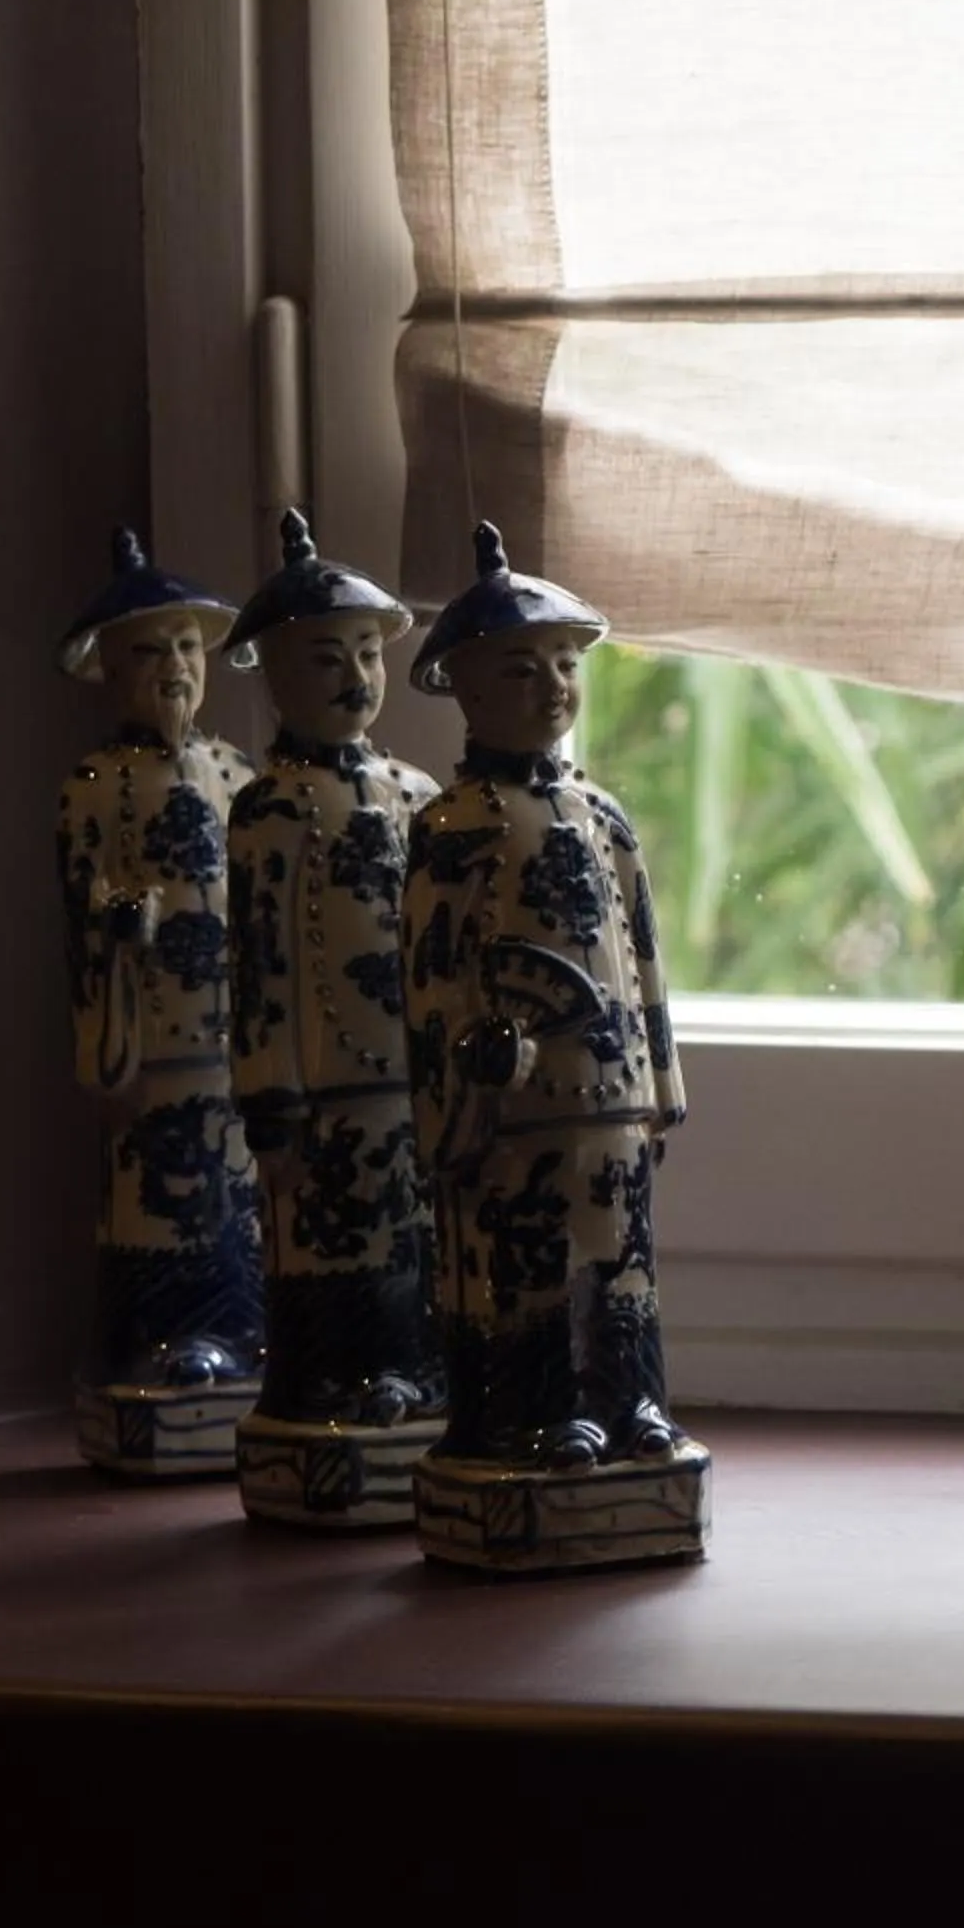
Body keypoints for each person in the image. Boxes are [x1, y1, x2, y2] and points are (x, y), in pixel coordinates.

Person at [403, 522, 695, 1504]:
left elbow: (643, 959)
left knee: (622, 1257)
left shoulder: (603, 815)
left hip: (609, 1089)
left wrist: (663, 1084)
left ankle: (630, 1401)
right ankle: (538, 1412)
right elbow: (430, 968)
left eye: (565, 666)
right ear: (470, 686)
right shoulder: (449, 830)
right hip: (517, 1096)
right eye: (525, 670)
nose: (554, 688)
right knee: (531, 1258)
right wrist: (470, 1052)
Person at [221, 510, 444, 1522]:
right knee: (326, 1239)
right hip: (323, 1078)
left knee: (412, 1235)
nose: (356, 676)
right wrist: (271, 1091)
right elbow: (261, 958)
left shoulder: (417, 796)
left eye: (366, 652)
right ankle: (328, 1388)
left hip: (412, 1072)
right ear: (274, 672)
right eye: (325, 657)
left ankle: (414, 1376)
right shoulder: (271, 809)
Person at [53, 528, 265, 1475]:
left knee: (243, 1192)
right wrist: (117, 921)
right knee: (157, 1199)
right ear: (108, 670)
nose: (175, 668)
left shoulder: (238, 778)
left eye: (187, 648)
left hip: (239, 1032)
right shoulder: (94, 790)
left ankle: (252, 1340)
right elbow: (84, 898)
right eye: (150, 651)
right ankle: (157, 1348)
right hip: (154, 1031)